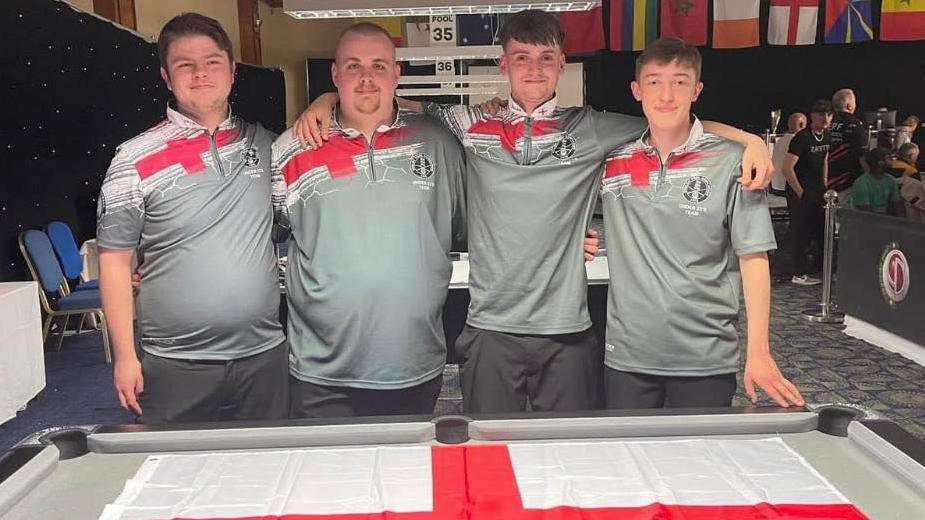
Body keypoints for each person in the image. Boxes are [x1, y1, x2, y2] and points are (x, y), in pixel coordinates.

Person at [294, 10, 773, 414]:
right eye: (521, 57)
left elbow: (670, 118)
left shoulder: (591, 128)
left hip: (567, 331)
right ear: (504, 64)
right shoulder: (468, 122)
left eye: (546, 58)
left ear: (562, 64)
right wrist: (327, 97)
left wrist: (750, 140)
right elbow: (385, 98)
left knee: (566, 464)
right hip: (488, 330)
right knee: (489, 460)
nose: (534, 69)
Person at [96, 13, 288, 424]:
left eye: (212, 61)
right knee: (173, 482)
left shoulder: (269, 146)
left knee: (266, 478)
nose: (200, 73)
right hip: (173, 364)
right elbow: (113, 263)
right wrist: (125, 356)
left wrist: (325, 101)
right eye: (186, 65)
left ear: (233, 72)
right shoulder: (132, 159)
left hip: (263, 358)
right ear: (167, 76)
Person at [271, 23, 467, 418]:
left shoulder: (439, 144)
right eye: (353, 65)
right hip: (320, 371)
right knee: (327, 479)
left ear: (397, 74)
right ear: (335, 74)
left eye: (378, 66)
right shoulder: (292, 150)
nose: (365, 78)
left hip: (413, 364)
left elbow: (469, 228)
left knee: (405, 479)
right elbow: (263, 232)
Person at [600, 38, 803, 410]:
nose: (666, 95)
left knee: (699, 467)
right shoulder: (613, 156)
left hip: (705, 356)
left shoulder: (733, 163)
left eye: (679, 82)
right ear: (635, 90)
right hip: (628, 354)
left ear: (697, 90)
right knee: (630, 465)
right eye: (654, 82)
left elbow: (754, 257)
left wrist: (758, 351)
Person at [783, 99, 833, 286]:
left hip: (817, 189)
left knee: (819, 229)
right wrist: (800, 192)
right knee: (800, 231)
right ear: (812, 116)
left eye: (828, 114)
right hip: (800, 189)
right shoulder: (802, 138)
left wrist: (825, 182)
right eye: (821, 114)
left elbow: (825, 159)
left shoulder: (826, 136)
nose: (825, 118)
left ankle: (818, 268)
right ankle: (798, 272)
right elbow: (787, 168)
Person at [827, 88, 866, 192]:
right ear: (849, 105)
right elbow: (860, 153)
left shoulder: (825, 121)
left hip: (823, 176)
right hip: (846, 179)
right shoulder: (855, 124)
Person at [852, 148, 904, 217]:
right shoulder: (861, 182)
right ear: (880, 163)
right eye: (889, 158)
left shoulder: (890, 180)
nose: (892, 161)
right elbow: (865, 212)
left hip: (887, 221)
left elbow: (897, 205)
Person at [771, 112, 806, 193]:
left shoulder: (779, 141)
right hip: (789, 189)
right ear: (801, 125)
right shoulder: (799, 141)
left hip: (775, 186)